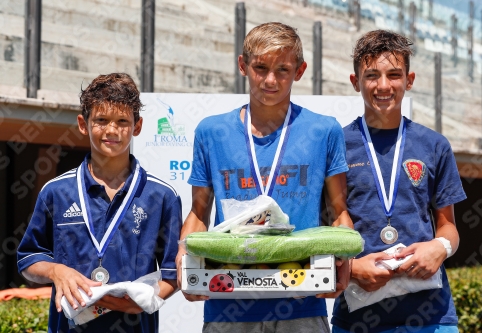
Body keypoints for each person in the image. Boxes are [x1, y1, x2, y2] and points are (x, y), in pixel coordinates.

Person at [177, 22, 352, 333]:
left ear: (299, 71)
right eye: (260, 67)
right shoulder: (211, 132)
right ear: (243, 65)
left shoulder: (323, 131)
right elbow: (198, 212)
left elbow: (339, 212)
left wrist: (346, 259)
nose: (270, 80)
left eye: (283, 69)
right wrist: (182, 257)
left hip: (301, 303)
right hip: (227, 306)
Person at [17, 73, 182, 332]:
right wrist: (55, 271)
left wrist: (147, 300)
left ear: (137, 127)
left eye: (122, 121)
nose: (112, 130)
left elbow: (173, 273)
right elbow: (28, 259)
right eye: (101, 120)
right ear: (83, 124)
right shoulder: (56, 191)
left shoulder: (161, 196)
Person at [331, 30, 466, 333]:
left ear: (409, 79)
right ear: (355, 82)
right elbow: (319, 228)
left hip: (432, 316)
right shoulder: (335, 145)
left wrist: (440, 247)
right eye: (371, 75)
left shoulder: (434, 145)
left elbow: (449, 226)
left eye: (394, 75)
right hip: (357, 319)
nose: (383, 85)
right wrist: (351, 269)